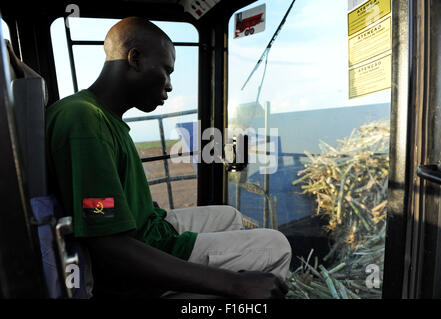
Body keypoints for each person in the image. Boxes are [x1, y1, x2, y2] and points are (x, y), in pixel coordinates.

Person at [46, 17, 292, 299]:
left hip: (147, 230)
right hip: (132, 266)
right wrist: (233, 284)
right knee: (276, 246)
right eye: (167, 70)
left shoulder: (101, 116)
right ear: (135, 58)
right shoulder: (83, 121)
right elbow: (108, 246)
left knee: (229, 215)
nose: (171, 86)